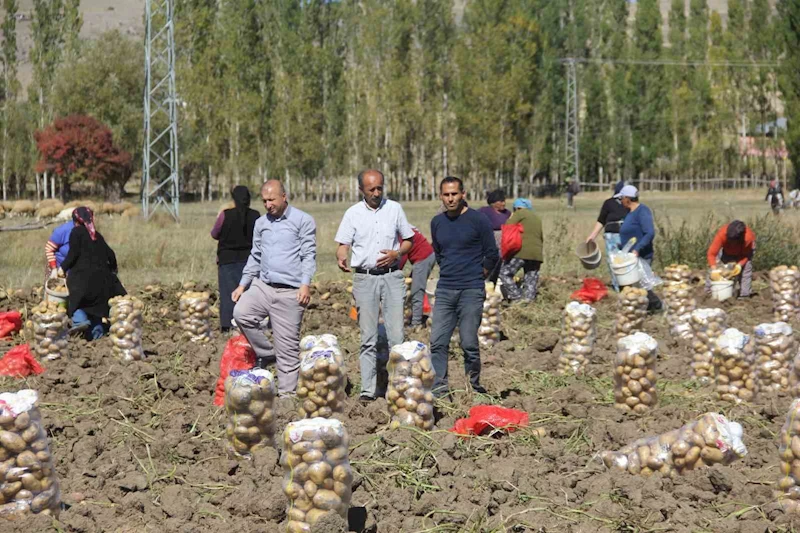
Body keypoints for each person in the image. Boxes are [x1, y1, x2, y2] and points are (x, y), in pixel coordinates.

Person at [335, 169, 414, 402]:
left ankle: (399, 387)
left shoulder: (395, 209)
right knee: (367, 338)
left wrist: (397, 252)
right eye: (372, 189)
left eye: (380, 188)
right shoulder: (352, 214)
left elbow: (409, 240)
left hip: (392, 277)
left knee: (397, 337)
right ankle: (368, 391)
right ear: (361, 190)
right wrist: (341, 255)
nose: (377, 193)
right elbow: (343, 244)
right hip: (365, 279)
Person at [232, 180, 316, 396]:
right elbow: (256, 255)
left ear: (284, 197)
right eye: (265, 201)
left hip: (290, 291)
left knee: (287, 352)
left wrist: (305, 285)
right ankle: (267, 353)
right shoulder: (261, 224)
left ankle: (287, 397)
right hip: (263, 286)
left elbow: (308, 256)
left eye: (272, 200)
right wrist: (243, 284)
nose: (268, 205)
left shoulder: (303, 221)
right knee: (241, 313)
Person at [430, 176, 499, 398]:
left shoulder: (478, 220)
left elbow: (492, 253)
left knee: (468, 342)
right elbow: (440, 254)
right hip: (445, 289)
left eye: (454, 194)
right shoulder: (437, 222)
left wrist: (479, 275)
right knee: (438, 342)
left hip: (471, 290)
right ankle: (440, 389)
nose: (450, 199)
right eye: (446, 195)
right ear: (441, 196)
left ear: (463, 194)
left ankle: (473, 387)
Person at [58, 207, 126, 340]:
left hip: (82, 281)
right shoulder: (97, 235)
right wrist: (113, 270)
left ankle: (80, 321)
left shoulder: (76, 232)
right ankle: (97, 337)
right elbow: (111, 255)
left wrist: (63, 268)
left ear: (75, 221)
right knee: (97, 309)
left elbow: (73, 255)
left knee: (75, 301)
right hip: (102, 282)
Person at [211, 186, 261, 333]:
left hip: (227, 261)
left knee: (228, 294)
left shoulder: (225, 215)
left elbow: (214, 233)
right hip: (250, 261)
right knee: (249, 293)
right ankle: (249, 324)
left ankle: (227, 326)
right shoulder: (255, 215)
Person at [618, 185, 662, 312]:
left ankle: (657, 305)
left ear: (628, 198)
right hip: (629, 256)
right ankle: (638, 311)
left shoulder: (642, 211)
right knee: (632, 286)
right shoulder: (629, 213)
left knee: (643, 286)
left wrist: (638, 249)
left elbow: (649, 233)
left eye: (621, 198)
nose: (620, 201)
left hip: (641, 255)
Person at [585, 180, 629, 291]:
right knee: (614, 261)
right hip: (612, 236)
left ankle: (628, 284)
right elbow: (601, 220)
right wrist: (592, 236)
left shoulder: (631, 203)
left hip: (628, 236)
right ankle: (617, 286)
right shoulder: (609, 203)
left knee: (628, 260)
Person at [499, 198, 543, 302]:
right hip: (536, 254)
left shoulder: (519, 213)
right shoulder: (537, 217)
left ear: (517, 208)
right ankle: (528, 303)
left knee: (504, 273)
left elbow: (508, 226)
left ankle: (516, 298)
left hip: (521, 252)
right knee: (531, 279)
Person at [705, 220, 755, 298]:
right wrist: (714, 269)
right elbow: (711, 254)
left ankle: (744, 295)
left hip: (743, 252)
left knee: (746, 270)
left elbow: (746, 255)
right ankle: (708, 293)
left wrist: (739, 265)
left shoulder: (748, 238)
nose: (732, 243)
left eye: (733, 241)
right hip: (726, 251)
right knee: (718, 269)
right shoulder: (722, 234)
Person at [398, 227, 436, 328]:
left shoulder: (400, 232)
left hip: (424, 258)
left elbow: (402, 256)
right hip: (425, 256)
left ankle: (416, 323)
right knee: (411, 288)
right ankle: (411, 315)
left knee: (416, 291)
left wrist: (396, 272)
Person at [45, 213, 75, 278]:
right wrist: (54, 269)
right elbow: (49, 249)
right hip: (59, 268)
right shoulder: (62, 231)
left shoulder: (90, 231)